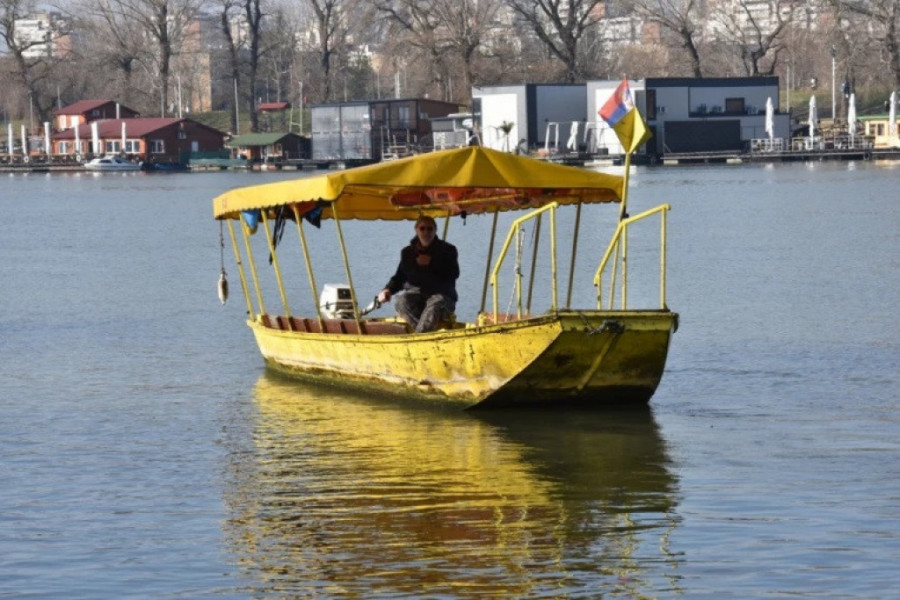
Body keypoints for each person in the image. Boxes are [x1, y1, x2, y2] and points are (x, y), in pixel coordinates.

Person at [377, 215, 459, 333]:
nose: (426, 232)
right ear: (416, 230)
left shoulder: (448, 250)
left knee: (435, 304)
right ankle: (422, 335)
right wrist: (388, 290)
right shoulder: (407, 253)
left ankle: (419, 337)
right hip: (416, 295)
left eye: (430, 229)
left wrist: (432, 263)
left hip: (443, 296)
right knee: (401, 301)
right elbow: (400, 277)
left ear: (435, 230)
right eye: (422, 228)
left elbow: (454, 273)